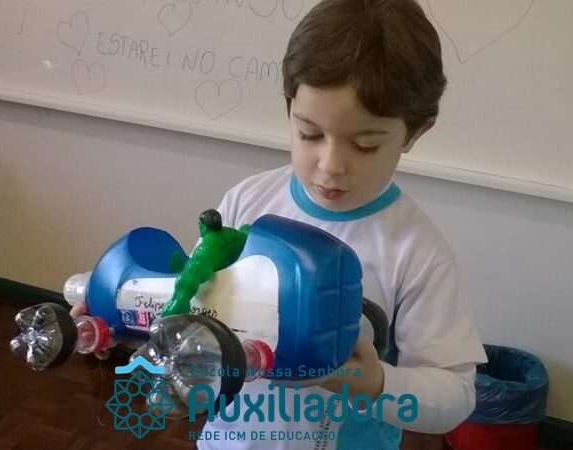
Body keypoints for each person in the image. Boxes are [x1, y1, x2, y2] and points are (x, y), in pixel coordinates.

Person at [197, 0, 487, 449]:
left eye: (365, 145)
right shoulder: (246, 202)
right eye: (309, 133)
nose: (331, 165)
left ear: (415, 132)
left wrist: (375, 382)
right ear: (289, 106)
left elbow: (455, 397)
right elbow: (195, 310)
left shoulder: (415, 249)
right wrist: (121, 321)